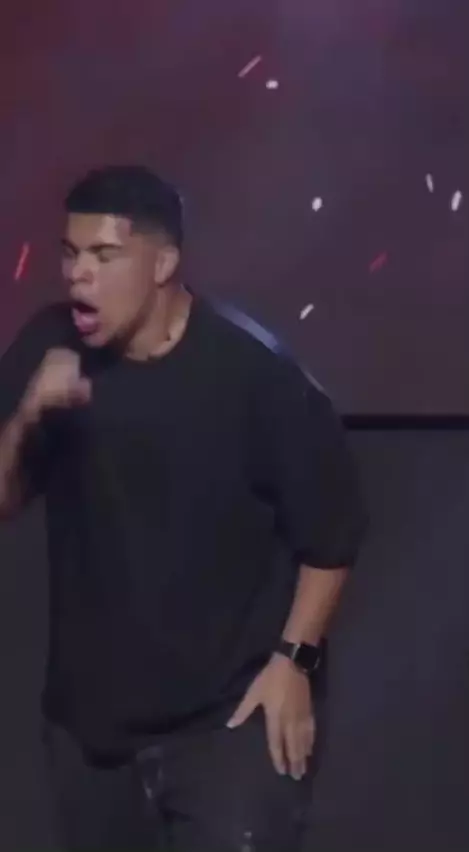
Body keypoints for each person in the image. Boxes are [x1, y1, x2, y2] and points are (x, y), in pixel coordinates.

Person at [0, 165, 366, 852]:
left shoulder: (254, 374)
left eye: (105, 255)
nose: (79, 275)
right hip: (92, 726)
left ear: (163, 264)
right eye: (70, 253)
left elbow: (333, 533)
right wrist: (26, 419)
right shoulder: (51, 348)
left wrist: (293, 660)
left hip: (228, 716)